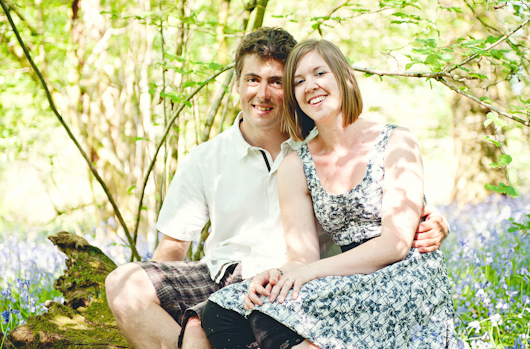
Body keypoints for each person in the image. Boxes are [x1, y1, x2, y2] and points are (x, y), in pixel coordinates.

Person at [105, 28, 450, 349]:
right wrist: (177, 310)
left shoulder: (314, 144)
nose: (263, 93)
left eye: (276, 81)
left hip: (304, 275)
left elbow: (381, 208)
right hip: (226, 273)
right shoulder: (207, 158)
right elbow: (172, 249)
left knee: (211, 323)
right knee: (126, 285)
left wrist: (434, 220)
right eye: (253, 80)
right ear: (237, 85)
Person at [201, 39, 458, 349]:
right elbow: (301, 257)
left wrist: (309, 274)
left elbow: (395, 245)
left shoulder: (397, 141)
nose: (310, 86)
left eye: (319, 73)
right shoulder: (296, 163)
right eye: (298, 81)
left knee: (269, 316)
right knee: (224, 310)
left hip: (404, 276)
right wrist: (275, 275)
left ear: (343, 77)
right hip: (346, 276)